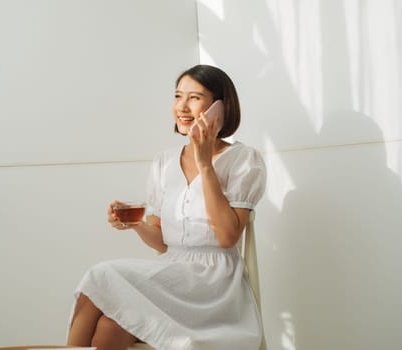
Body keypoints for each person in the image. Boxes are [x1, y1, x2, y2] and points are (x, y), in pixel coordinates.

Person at [66, 64, 266, 350]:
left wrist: (205, 162)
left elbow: (227, 237)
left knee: (101, 276)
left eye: (195, 98)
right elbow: (163, 243)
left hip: (213, 287)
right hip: (172, 275)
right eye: (177, 96)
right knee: (110, 325)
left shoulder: (244, 159)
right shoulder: (164, 162)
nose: (182, 107)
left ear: (219, 108)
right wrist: (136, 223)